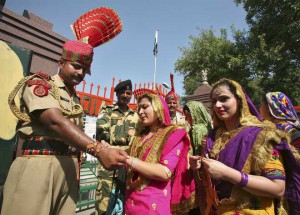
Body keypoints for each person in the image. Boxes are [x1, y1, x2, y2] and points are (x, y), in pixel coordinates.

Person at [2, 8, 126, 215]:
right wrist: (99, 149)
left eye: (84, 70)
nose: (80, 73)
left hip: (68, 167)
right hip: (38, 165)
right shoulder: (40, 84)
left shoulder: (74, 98)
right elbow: (54, 121)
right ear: (61, 63)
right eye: (76, 66)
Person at [189, 78, 288, 214]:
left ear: (239, 100)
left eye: (224, 99)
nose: (217, 105)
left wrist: (226, 173)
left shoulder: (261, 135)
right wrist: (200, 166)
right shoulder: (214, 136)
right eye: (214, 101)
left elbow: (278, 188)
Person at [125, 91, 196, 214]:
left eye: (145, 107)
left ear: (158, 107)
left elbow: (165, 172)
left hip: (153, 204)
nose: (140, 112)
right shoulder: (140, 136)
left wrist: (129, 160)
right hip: (131, 200)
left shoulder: (173, 134)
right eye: (139, 108)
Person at [95, 79, 138, 215]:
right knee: (104, 202)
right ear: (117, 94)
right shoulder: (107, 110)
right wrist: (126, 139)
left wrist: (115, 143)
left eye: (128, 93)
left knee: (126, 201)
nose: (125, 95)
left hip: (128, 163)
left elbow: (139, 139)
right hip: (109, 163)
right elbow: (102, 134)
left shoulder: (135, 115)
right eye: (122, 93)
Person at [260, 92, 300, 214]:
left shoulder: (290, 134)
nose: (259, 109)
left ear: (270, 109)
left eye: (261, 105)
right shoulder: (292, 130)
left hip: (290, 192)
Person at [183, 101, 213, 215]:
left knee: (202, 199)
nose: (186, 118)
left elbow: (196, 153)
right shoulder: (207, 127)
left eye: (188, 114)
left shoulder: (196, 129)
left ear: (195, 113)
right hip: (209, 170)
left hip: (200, 172)